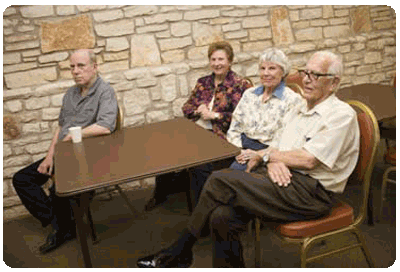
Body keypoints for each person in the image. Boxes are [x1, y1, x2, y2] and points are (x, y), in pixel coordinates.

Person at [136, 51, 360, 268]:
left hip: (312, 194)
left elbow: (309, 159)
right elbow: (279, 145)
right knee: (222, 216)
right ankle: (184, 255)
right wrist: (273, 159)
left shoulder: (341, 115)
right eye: (305, 72)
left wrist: (270, 156)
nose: (307, 80)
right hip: (286, 178)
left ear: (333, 83)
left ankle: (179, 252)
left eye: (316, 75)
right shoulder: (301, 107)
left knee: (218, 179)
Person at [12, 49, 118, 254]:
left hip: (89, 154)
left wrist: (76, 134)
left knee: (57, 189)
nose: (75, 71)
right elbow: (61, 127)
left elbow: (106, 126)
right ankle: (60, 223)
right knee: (22, 179)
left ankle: (61, 227)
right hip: (63, 151)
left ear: (94, 67)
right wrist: (50, 156)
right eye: (72, 67)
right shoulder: (70, 93)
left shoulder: (105, 91)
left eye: (81, 66)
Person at [144, 41, 252, 211]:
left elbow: (245, 120)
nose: (217, 63)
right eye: (213, 59)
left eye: (221, 59)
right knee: (164, 147)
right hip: (196, 131)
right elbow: (186, 108)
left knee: (198, 163)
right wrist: (198, 109)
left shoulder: (241, 85)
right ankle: (161, 194)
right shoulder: (203, 82)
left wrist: (215, 115)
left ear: (230, 61)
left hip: (221, 137)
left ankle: (201, 211)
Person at [227, 48, 303, 171]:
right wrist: (239, 150)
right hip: (240, 146)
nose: (266, 73)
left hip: (267, 151)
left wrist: (260, 154)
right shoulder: (249, 94)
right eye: (262, 68)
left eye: (272, 68)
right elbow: (235, 126)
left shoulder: (293, 100)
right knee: (205, 165)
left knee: (231, 175)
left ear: (283, 72)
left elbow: (284, 139)